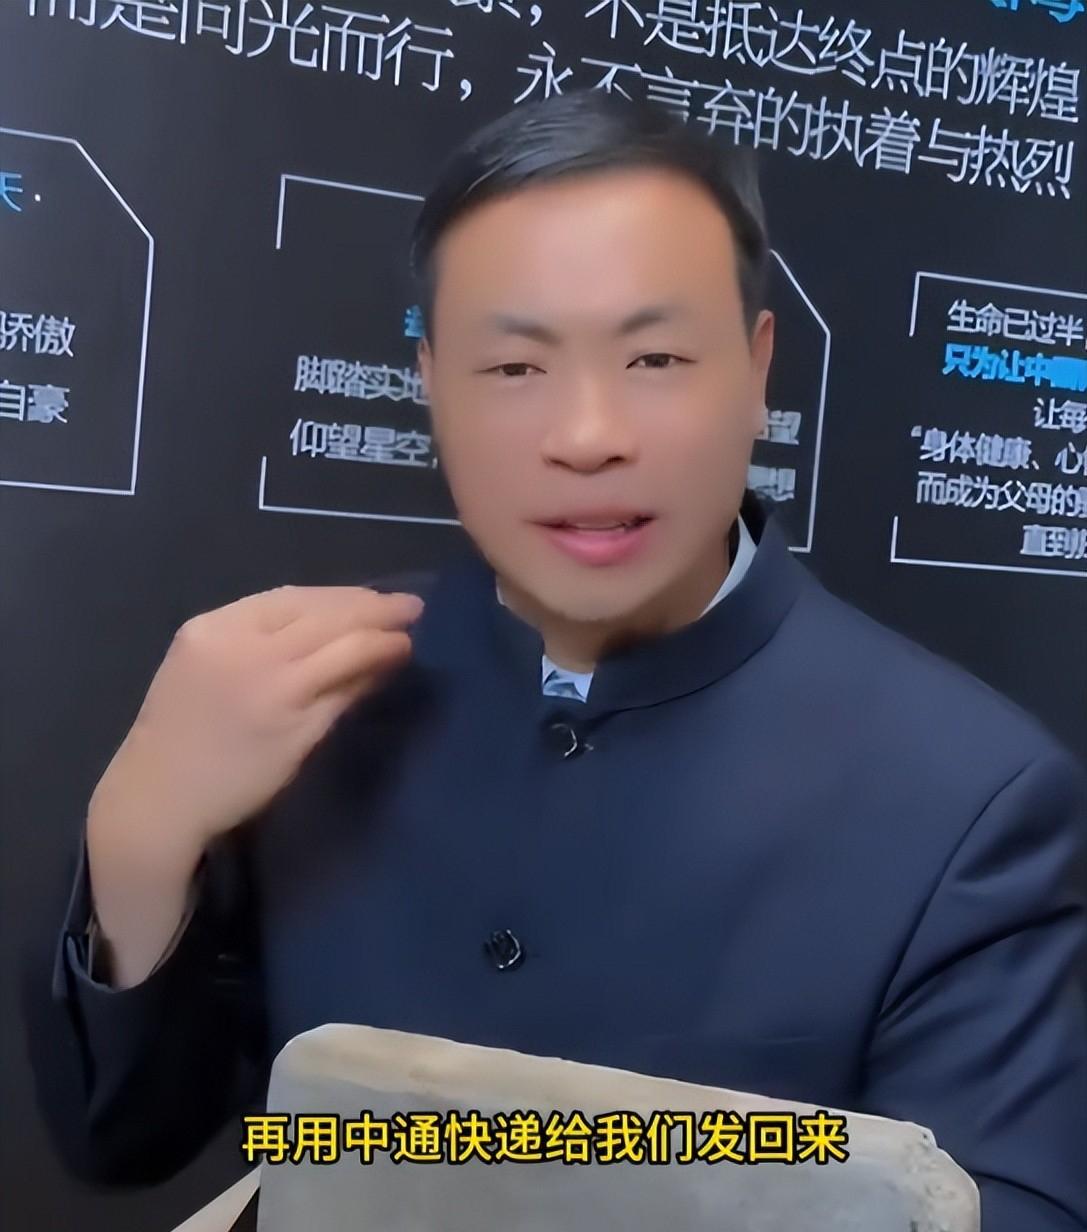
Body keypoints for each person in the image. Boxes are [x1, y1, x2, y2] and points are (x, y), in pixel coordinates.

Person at [51, 91, 1086, 1229]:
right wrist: (141, 835)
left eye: (655, 357)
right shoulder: (300, 691)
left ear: (755, 369)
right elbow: (125, 1138)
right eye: (514, 368)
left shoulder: (970, 799)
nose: (588, 435)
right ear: (430, 383)